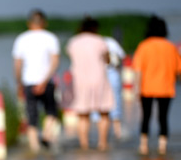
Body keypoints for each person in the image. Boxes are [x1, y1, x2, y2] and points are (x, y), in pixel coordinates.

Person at [132, 15, 181, 155]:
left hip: (147, 88)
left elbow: (138, 70)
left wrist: (136, 89)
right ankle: (162, 148)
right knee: (163, 118)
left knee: (146, 117)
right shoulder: (171, 47)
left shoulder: (144, 46)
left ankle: (143, 146)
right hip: (166, 88)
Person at [12, 9, 61, 152]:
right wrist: (45, 81)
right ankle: (46, 136)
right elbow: (55, 62)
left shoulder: (21, 39)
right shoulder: (51, 38)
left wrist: (18, 82)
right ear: (44, 23)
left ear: (29, 23)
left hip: (28, 81)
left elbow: (17, 64)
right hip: (48, 82)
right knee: (51, 111)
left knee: (31, 114)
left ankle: (35, 149)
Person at [66, 16, 114, 150]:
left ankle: (84, 145)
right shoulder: (100, 41)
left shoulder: (73, 42)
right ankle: (103, 143)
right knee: (104, 111)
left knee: (83, 114)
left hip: (80, 80)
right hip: (99, 78)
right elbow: (107, 59)